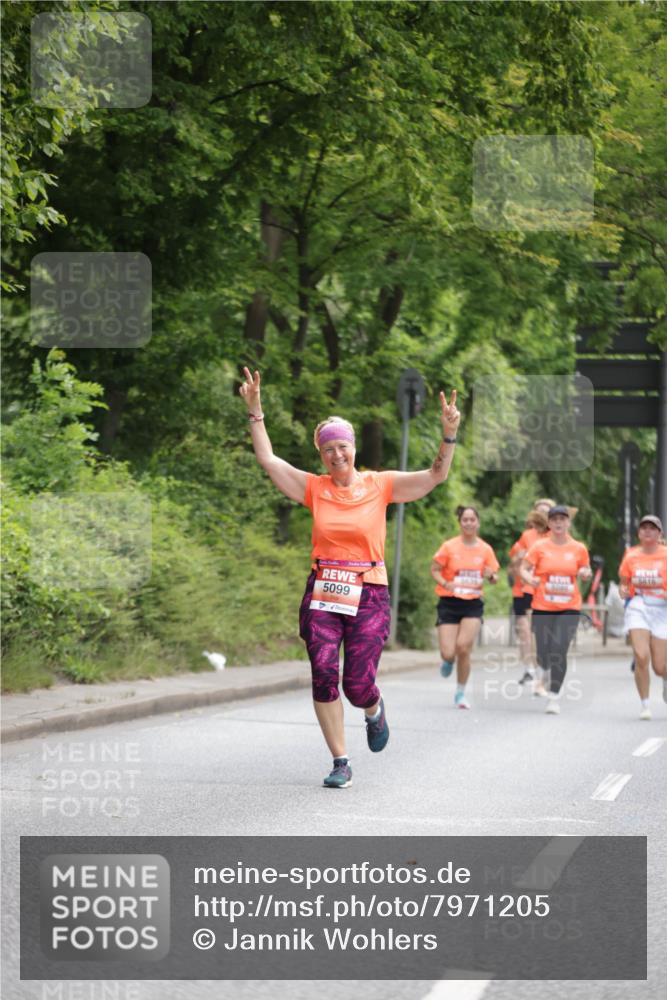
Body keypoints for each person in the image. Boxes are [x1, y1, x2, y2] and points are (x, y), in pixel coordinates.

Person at [239, 366, 460, 787]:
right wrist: (255, 410)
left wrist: (448, 435)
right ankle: (340, 761)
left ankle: (373, 709)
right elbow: (268, 459)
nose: (336, 455)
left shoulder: (382, 485)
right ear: (321, 455)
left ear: (353, 447)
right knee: (323, 671)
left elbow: (435, 476)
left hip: (369, 592)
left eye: (341, 446)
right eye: (328, 450)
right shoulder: (314, 488)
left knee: (357, 684)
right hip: (323, 591)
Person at [521, 505, 591, 715]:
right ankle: (543, 669)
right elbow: (523, 568)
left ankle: (553, 697)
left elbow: (585, 568)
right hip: (543, 606)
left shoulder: (578, 548)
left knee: (559, 650)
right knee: (543, 652)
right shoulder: (540, 547)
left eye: (563, 519)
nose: (559, 523)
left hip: (569, 607)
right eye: (555, 519)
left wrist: (586, 573)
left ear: (568, 522)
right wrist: (529, 578)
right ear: (549, 523)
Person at [431, 506, 499, 709]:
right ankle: (447, 661)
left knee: (464, 647)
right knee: (448, 652)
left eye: (472, 519)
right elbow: (434, 569)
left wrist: (491, 576)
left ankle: (460, 693)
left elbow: (494, 577)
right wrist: (444, 583)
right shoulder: (449, 547)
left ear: (478, 522)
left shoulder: (485, 549)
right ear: (460, 523)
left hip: (473, 604)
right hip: (449, 602)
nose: (469, 523)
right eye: (465, 520)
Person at [618, 515, 667, 721]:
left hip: (662, 609)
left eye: (652, 528)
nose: (648, 531)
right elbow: (624, 582)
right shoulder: (631, 555)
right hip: (638, 605)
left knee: (659, 666)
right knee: (640, 655)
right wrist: (623, 590)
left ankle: (664, 677)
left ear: (659, 533)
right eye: (644, 528)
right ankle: (645, 704)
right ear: (639, 533)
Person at [508, 509, 549, 694]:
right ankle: (530, 669)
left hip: (546, 591)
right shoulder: (526, 536)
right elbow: (513, 562)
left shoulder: (556, 537)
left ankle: (540, 667)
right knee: (525, 631)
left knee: (539, 632)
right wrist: (519, 559)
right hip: (523, 589)